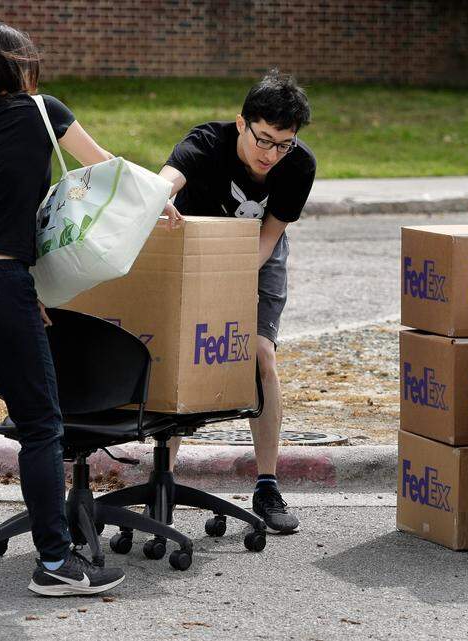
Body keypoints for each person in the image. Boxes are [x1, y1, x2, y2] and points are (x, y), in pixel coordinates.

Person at [0, 21, 125, 596]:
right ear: (19, 68)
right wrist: (158, 199)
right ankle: (57, 564)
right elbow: (100, 169)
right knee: (41, 427)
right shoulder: (43, 111)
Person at [158, 70, 315, 534]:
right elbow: (168, 177)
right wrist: (158, 196)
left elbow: (269, 240)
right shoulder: (208, 142)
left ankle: (266, 484)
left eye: (282, 144)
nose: (271, 154)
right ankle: (161, 481)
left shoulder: (299, 165)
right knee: (178, 357)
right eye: (263, 140)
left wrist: (229, 283)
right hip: (191, 250)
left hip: (254, 255)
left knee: (261, 355)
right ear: (241, 123)